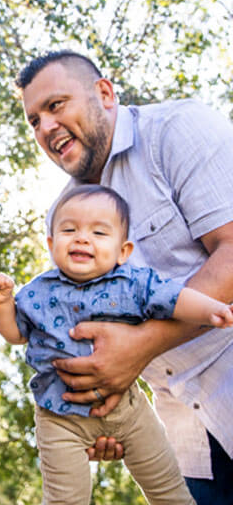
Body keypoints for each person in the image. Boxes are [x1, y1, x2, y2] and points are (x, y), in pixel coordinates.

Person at [15, 50, 233, 503]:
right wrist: (97, 417)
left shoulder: (176, 131)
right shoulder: (63, 216)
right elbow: (85, 335)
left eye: (56, 106)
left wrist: (141, 347)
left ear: (105, 93)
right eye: (34, 120)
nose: (46, 127)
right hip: (187, 442)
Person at [0, 184, 233, 503]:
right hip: (60, 420)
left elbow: (176, 299)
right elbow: (15, 333)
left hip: (129, 411)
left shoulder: (134, 283)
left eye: (99, 233)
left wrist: (213, 310)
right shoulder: (37, 292)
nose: (82, 238)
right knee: (64, 499)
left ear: (123, 251)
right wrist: (2, 303)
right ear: (51, 243)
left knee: (169, 490)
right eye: (69, 229)